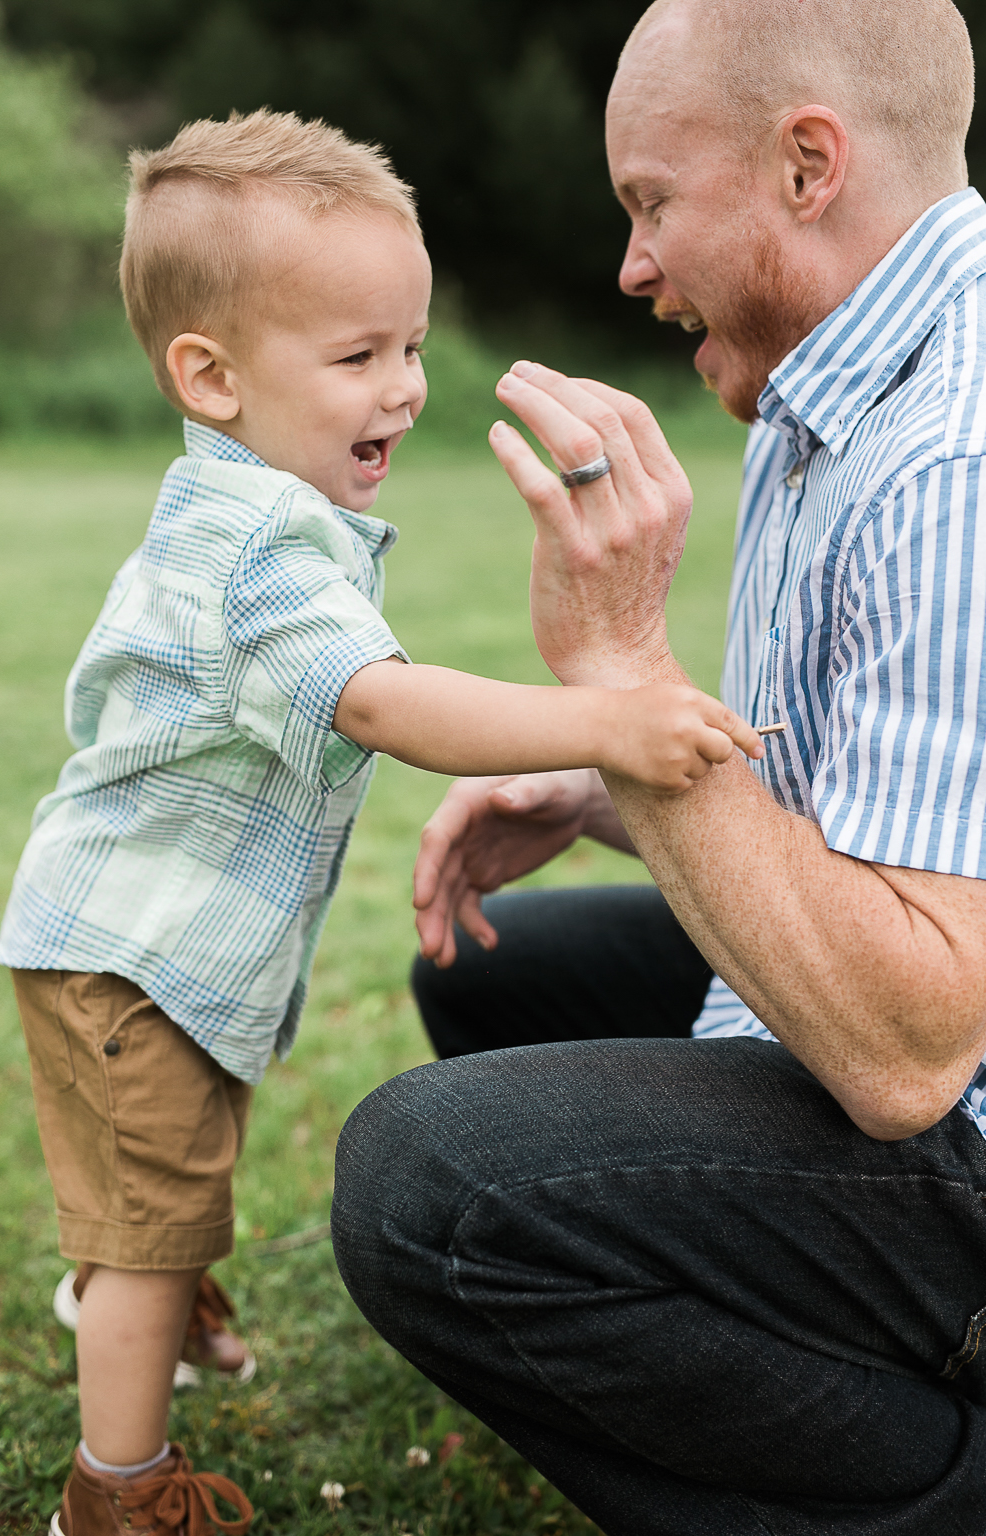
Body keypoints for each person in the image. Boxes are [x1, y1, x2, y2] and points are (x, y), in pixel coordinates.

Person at [0, 109, 761, 1536]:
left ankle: (145, 1275)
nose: (404, 389)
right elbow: (385, 705)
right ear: (208, 377)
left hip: (162, 954)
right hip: (129, 956)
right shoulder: (253, 543)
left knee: (171, 1175)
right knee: (151, 1209)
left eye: (408, 346)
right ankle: (116, 1487)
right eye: (358, 357)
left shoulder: (272, 510)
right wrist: (602, 718)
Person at [331, 1, 986, 1528]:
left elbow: (910, 1049)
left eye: (651, 203)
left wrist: (622, 674)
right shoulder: (835, 384)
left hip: (953, 1104)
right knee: (489, 979)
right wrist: (602, 783)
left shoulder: (955, 460)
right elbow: (875, 791)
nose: (633, 266)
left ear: (808, 164)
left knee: (427, 1184)